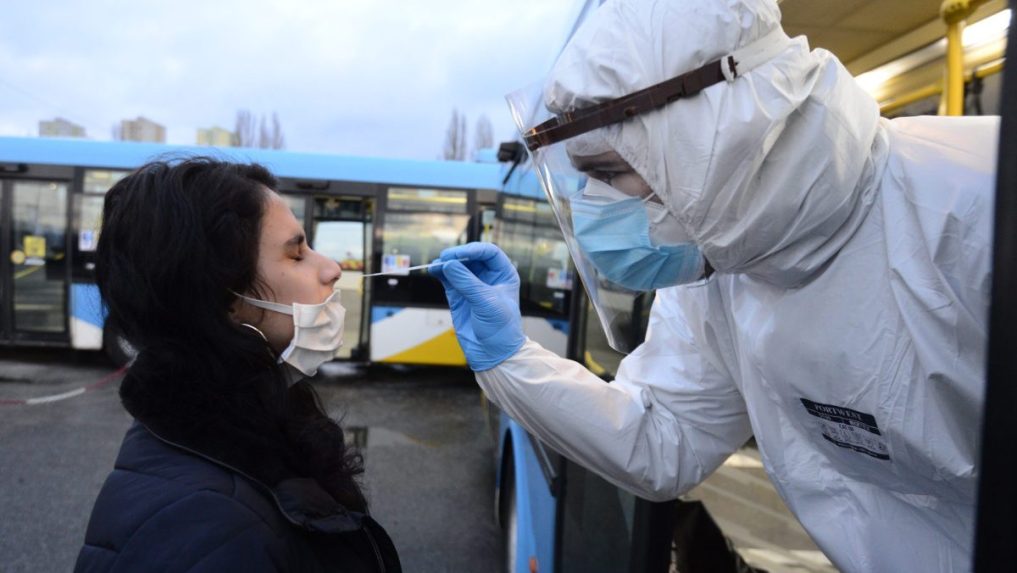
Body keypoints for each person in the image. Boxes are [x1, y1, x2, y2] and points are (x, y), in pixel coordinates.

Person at [430, 0, 997, 571]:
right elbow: (662, 438)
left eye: (609, 173)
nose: (593, 204)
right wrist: (511, 361)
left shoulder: (976, 209)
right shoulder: (719, 276)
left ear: (709, 140)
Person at [75, 158, 401, 572]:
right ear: (224, 297)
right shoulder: (212, 529)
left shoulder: (244, 416)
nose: (332, 268)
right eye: (296, 254)